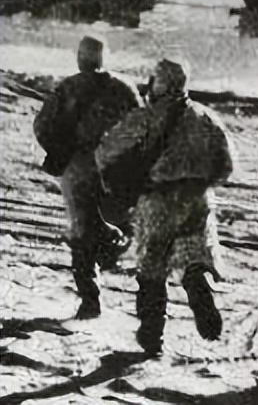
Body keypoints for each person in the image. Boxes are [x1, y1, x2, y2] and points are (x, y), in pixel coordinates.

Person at [96, 57, 233, 355]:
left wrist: (115, 181)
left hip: (157, 199)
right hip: (197, 198)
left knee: (152, 266)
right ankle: (198, 281)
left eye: (154, 78)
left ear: (161, 82)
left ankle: (152, 334)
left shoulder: (145, 117)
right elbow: (227, 164)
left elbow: (106, 151)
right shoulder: (206, 117)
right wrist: (202, 182)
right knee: (194, 251)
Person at [33, 36, 141, 319]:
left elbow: (42, 125)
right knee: (116, 220)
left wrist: (59, 151)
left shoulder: (67, 88)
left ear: (80, 57)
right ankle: (113, 249)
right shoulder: (124, 89)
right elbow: (143, 130)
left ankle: (90, 298)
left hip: (77, 168)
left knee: (83, 230)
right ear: (104, 57)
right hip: (115, 170)